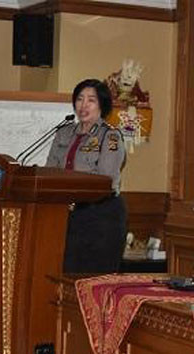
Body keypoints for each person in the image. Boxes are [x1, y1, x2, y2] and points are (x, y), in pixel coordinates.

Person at [46, 78, 127, 273]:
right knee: (65, 275)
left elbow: (106, 180)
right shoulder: (63, 133)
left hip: (100, 216)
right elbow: (50, 170)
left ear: (102, 105)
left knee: (93, 278)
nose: (83, 105)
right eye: (80, 99)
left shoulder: (110, 136)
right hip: (66, 215)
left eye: (91, 100)